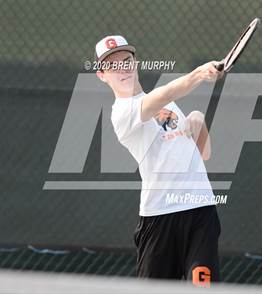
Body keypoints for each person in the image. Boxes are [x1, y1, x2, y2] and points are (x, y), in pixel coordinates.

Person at [95, 35, 223, 287]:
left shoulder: (171, 106)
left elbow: (203, 153)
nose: (122, 68)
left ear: (136, 63)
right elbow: (166, 93)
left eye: (126, 60)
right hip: (159, 219)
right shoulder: (122, 113)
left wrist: (198, 122)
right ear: (102, 75)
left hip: (200, 212)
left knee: (204, 288)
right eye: (113, 65)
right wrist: (198, 74)